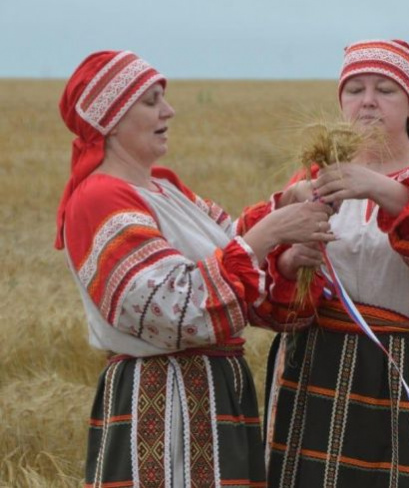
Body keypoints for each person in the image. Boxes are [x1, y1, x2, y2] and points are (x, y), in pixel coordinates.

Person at [56, 50, 335, 486]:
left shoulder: (164, 188)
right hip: (160, 400)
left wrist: (285, 248)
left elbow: (229, 248)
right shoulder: (99, 199)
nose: (169, 110)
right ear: (110, 119)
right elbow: (173, 309)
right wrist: (270, 233)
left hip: (215, 392)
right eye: (150, 101)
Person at [258, 39, 409, 487]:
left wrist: (380, 188)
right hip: (318, 364)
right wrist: (290, 262)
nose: (367, 101)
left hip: (408, 366)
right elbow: (270, 286)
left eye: (385, 89)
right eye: (354, 89)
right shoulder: (314, 179)